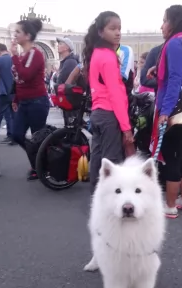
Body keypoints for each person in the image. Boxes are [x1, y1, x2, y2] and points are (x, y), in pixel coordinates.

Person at [149, 5, 182, 218]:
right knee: (181, 155)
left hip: (172, 107)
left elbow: (174, 81)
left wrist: (165, 112)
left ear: (174, 22)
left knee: (171, 157)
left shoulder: (174, 44)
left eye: (165, 20)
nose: (162, 26)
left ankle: (169, 205)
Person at [82, 11, 134, 193]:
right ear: (101, 31)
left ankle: (97, 194)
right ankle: (110, 199)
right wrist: (126, 127)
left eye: (119, 28)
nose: (118, 32)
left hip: (97, 113)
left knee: (98, 157)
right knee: (112, 161)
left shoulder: (95, 54)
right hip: (109, 113)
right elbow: (116, 93)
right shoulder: (108, 56)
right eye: (112, 28)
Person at [10, 18, 50, 181]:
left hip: (37, 102)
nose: (15, 35)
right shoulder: (22, 55)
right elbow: (18, 81)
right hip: (25, 101)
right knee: (16, 133)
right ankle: (38, 162)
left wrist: (13, 57)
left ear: (27, 35)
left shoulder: (36, 54)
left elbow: (25, 76)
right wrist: (16, 98)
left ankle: (39, 166)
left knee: (36, 137)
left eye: (18, 32)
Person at [0, 43, 15, 143]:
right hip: (14, 93)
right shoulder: (13, 59)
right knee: (12, 115)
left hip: (3, 92)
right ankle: (12, 136)